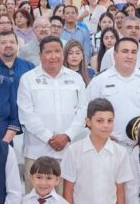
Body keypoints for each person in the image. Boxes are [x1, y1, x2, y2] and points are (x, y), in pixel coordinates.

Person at [17, 37, 88, 166]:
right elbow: (26, 115)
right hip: (36, 153)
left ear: (63, 54)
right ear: (40, 55)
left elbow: (83, 111)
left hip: (70, 151)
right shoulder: (28, 79)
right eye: (48, 52)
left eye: (57, 51)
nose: (53, 56)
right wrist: (48, 138)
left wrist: (67, 136)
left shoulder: (76, 78)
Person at [87, 38, 140, 147]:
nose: (129, 56)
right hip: (110, 145)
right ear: (115, 54)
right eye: (125, 51)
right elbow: (85, 111)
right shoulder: (100, 80)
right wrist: (99, 134)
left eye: (133, 52)